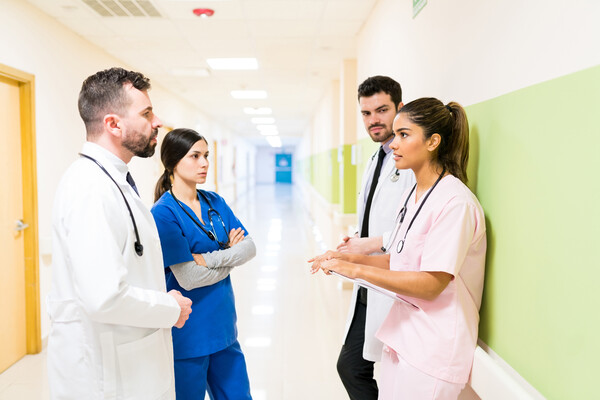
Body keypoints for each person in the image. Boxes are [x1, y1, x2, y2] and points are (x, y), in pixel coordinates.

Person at [310, 97, 486, 399]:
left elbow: (431, 283)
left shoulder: (455, 203)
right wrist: (346, 257)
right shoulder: (415, 194)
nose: (394, 143)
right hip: (404, 338)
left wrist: (353, 269)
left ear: (433, 141)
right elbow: (401, 259)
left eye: (404, 135)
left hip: (434, 350)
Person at [47, 67, 193, 400]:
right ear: (114, 124)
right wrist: (170, 306)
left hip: (126, 362)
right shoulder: (90, 189)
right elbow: (104, 296)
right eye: (146, 113)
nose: (157, 122)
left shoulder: (112, 181)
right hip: (104, 376)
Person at [151, 128, 256, 400]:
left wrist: (208, 260)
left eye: (206, 155)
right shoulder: (163, 213)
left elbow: (250, 248)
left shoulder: (215, 202)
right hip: (188, 336)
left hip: (224, 329)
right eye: (195, 156)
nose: (205, 163)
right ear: (173, 161)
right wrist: (230, 254)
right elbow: (189, 278)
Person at [334, 76, 414, 399]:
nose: (373, 120)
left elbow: (413, 225)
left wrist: (367, 244)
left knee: (356, 366)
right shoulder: (376, 158)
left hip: (394, 279)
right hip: (371, 279)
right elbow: (376, 212)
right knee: (353, 365)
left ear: (400, 108)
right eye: (366, 113)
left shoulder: (409, 161)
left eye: (381, 110)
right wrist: (357, 238)